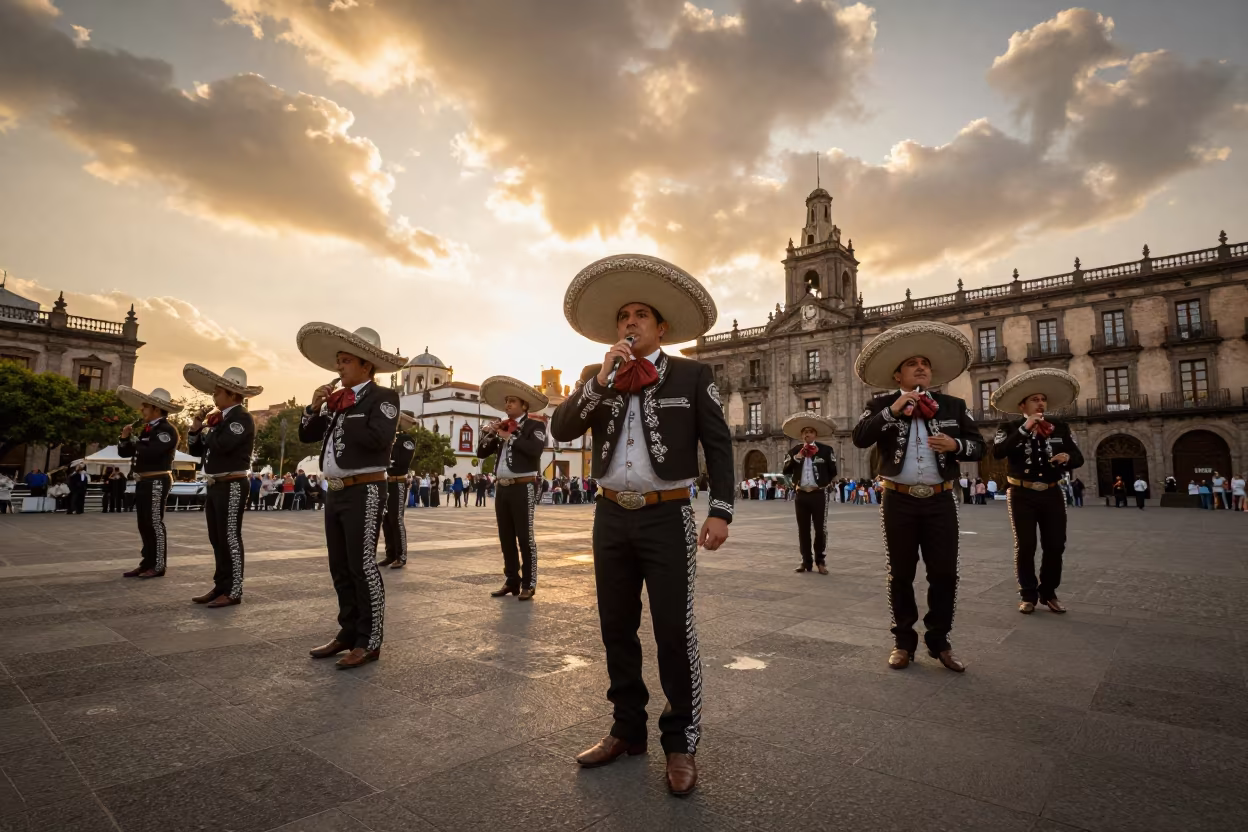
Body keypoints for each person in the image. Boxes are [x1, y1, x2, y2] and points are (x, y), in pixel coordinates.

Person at [553, 253, 733, 797]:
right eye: (623, 316)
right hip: (610, 513)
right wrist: (600, 380)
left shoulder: (692, 374)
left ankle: (680, 742)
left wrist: (721, 509)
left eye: (640, 316)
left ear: (661, 327)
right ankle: (625, 730)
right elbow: (562, 429)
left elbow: (718, 444)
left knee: (674, 629)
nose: (629, 323)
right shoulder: (595, 375)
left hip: (669, 514)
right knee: (616, 626)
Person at [851, 320, 984, 674]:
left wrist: (955, 444)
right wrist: (893, 411)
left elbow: (979, 447)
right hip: (899, 499)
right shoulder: (880, 405)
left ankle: (940, 641)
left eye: (925, 363)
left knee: (945, 573)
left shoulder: (953, 406)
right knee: (901, 573)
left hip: (941, 499)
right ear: (899, 376)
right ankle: (903, 642)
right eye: (913, 364)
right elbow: (861, 438)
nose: (921, 367)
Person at [296, 322, 404, 669]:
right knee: (339, 566)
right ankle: (347, 632)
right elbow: (306, 435)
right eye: (338, 361)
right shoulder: (336, 401)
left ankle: (369, 640)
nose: (338, 367)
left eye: (344, 361)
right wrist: (316, 408)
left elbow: (378, 440)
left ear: (365, 366)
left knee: (362, 566)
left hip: (367, 489)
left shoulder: (383, 398)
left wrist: (348, 406)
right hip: (336, 491)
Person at [991, 370, 1085, 615]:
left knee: (1055, 545)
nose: (1041, 403)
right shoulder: (1009, 426)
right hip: (1021, 494)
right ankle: (1028, 594)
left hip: (1052, 493)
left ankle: (1049, 592)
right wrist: (1025, 428)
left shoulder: (1060, 427)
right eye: (1035, 399)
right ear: (1023, 405)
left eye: (1043, 399)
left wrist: (1066, 458)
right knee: (1026, 545)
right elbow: (999, 452)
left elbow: (1078, 457)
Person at [184, 364, 262, 608]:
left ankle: (234, 589)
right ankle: (220, 585)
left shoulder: (241, 418)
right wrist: (196, 429)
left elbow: (223, 445)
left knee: (229, 536)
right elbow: (196, 451)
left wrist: (211, 427)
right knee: (216, 537)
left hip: (233, 483)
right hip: (216, 482)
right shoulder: (220, 420)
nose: (214, 396)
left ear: (232, 394)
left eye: (218, 392)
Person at [477, 376, 550, 600]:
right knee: (505, 536)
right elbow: (481, 453)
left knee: (525, 537)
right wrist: (488, 434)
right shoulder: (502, 426)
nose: (508, 404)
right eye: (507, 401)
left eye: (512, 401)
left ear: (524, 406)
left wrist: (512, 436)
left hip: (523, 486)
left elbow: (534, 450)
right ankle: (512, 580)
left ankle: (529, 582)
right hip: (503, 487)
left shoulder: (535, 426)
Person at [116, 386, 184, 578]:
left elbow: (152, 450)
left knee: (154, 522)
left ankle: (158, 564)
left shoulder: (166, 429)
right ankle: (147, 562)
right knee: (143, 523)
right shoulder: (148, 429)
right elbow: (125, 452)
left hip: (157, 479)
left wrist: (135, 442)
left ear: (155, 408)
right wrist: (124, 438)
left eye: (145, 406)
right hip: (145, 479)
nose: (142, 410)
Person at [780, 411, 838, 575]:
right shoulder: (794, 451)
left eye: (810, 432)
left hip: (818, 493)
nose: (807, 434)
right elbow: (785, 470)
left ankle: (820, 560)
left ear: (815, 434)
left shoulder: (826, 450)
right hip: (801, 494)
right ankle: (806, 561)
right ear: (801, 435)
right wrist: (797, 458)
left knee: (820, 529)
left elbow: (833, 470)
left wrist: (824, 480)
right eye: (805, 432)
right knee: (803, 529)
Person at [380, 410, 417, 569]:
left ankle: (401, 555)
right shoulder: (391, 439)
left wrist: (386, 461)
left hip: (398, 482)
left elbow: (402, 463)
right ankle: (390, 554)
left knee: (396, 519)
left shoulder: (406, 440)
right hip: (387, 482)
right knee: (386, 520)